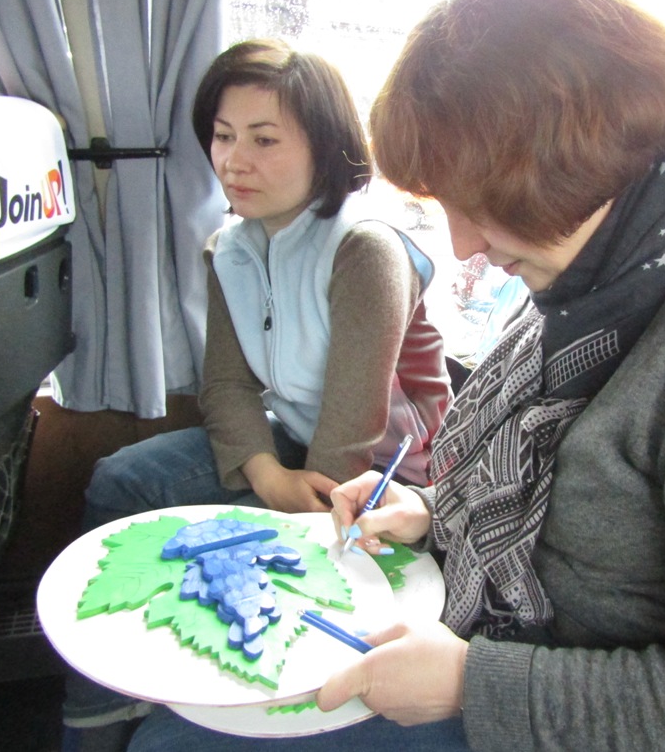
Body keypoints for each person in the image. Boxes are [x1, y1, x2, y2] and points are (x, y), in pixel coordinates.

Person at [127, 0, 665, 750]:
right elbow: (545, 489)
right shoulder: (599, 265)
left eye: (478, 203)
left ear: (568, 158)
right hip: (478, 633)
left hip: (542, 704)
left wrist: (473, 685)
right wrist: (430, 510)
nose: (463, 245)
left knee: (170, 744)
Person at [61, 38, 452, 742]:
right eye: (223, 135)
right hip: (292, 444)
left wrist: (289, 492)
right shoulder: (231, 248)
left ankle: (222, 701)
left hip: (388, 476)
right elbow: (227, 384)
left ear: (325, 149)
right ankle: (107, 702)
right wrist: (266, 473)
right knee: (122, 479)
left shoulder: (366, 249)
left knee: (242, 570)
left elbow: (355, 427)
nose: (234, 161)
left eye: (264, 140)